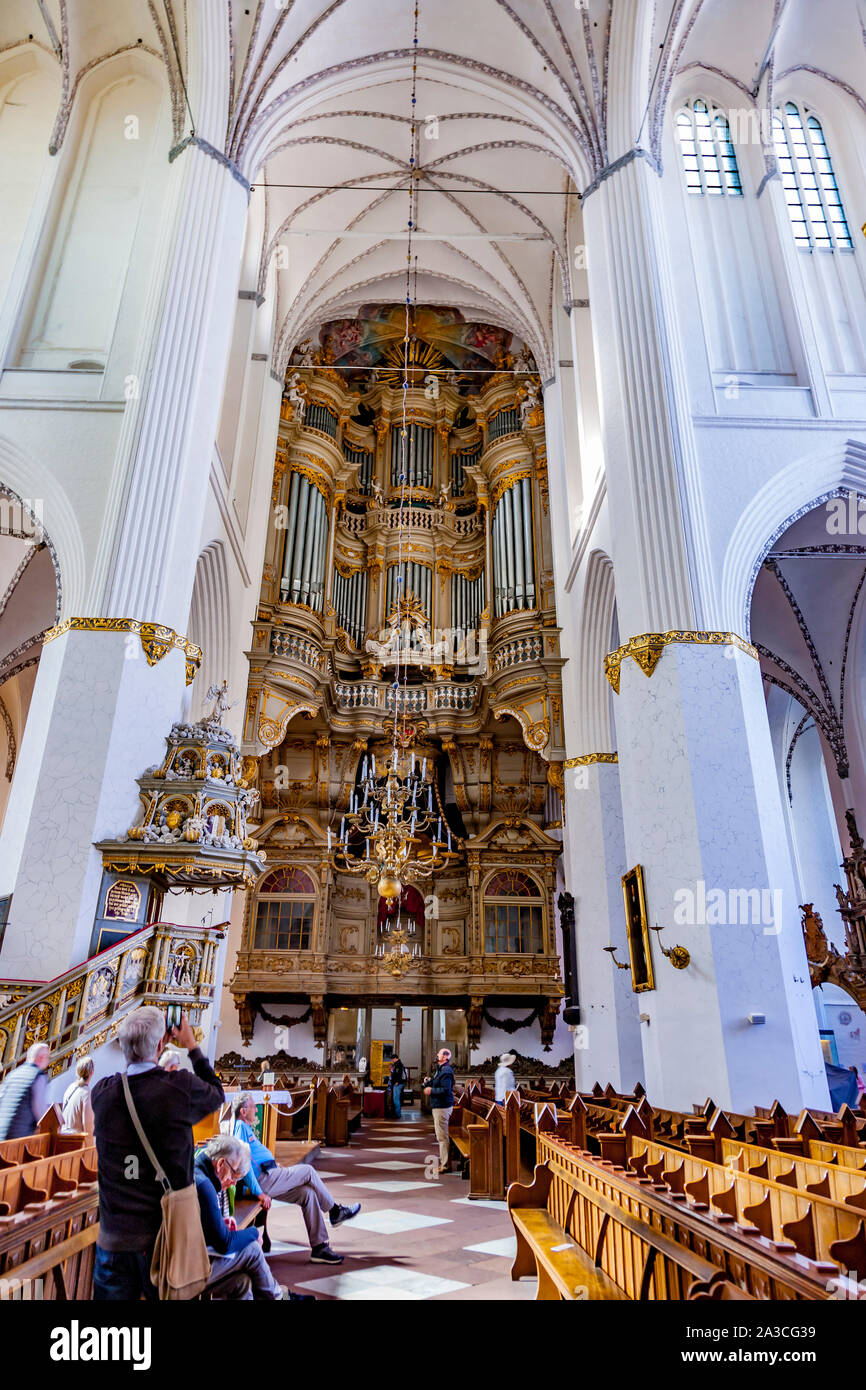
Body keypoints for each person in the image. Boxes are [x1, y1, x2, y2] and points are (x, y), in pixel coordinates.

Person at [91, 1006, 224, 1300]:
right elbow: (217, 1093)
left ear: (123, 1047)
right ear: (162, 1043)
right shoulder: (179, 1088)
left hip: (114, 1240)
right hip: (163, 1240)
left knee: (111, 1343)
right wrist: (192, 1045)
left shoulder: (101, 1093)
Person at [231, 1092, 360, 1264]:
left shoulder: (245, 1127)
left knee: (307, 1193)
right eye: (253, 1106)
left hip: (269, 1175)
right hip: (263, 1181)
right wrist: (259, 1193)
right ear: (243, 1111)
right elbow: (243, 1164)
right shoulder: (240, 1127)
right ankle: (335, 1211)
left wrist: (274, 1165)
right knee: (307, 1171)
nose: (256, 1109)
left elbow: (255, 1158)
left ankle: (319, 1247)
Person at [194, 1134, 313, 1301]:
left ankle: (280, 1296)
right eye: (234, 1176)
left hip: (189, 1259)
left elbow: (200, 1226)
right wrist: (254, 1234)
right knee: (253, 1249)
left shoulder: (198, 1172)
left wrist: (219, 1223)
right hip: (185, 1273)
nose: (233, 1183)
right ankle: (280, 1298)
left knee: (242, 1282)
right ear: (221, 1163)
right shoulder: (204, 1185)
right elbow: (224, 1243)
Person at [0, 1042, 50, 1141]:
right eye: (48, 1058)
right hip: (18, 1136)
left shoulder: (12, 1074)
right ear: (41, 1057)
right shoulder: (38, 1076)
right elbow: (40, 1111)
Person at [423, 1048, 455, 1174]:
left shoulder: (446, 1071)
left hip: (442, 1107)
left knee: (442, 1137)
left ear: (446, 1056)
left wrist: (431, 1091)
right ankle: (444, 1162)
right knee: (440, 1136)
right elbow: (438, 1083)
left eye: (440, 1053)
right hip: (438, 1105)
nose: (437, 1054)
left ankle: (445, 1165)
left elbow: (446, 1090)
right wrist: (428, 1082)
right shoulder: (441, 1069)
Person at [61, 1056, 94, 1134]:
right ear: (92, 1072)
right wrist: (90, 1145)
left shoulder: (71, 1087)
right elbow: (87, 1125)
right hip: (76, 1140)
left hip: (64, 1136)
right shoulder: (86, 1093)